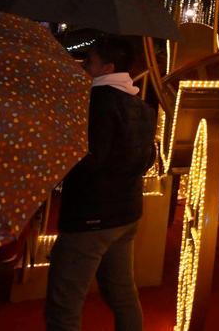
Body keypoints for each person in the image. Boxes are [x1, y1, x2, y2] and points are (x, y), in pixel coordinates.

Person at [45, 37, 157, 331]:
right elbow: (148, 159)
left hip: (91, 215)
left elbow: (91, 158)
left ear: (107, 67)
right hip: (126, 212)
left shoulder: (96, 102)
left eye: (90, 62)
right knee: (122, 294)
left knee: (64, 303)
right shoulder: (141, 105)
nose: (85, 67)